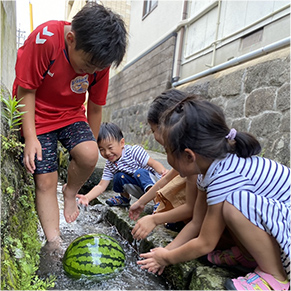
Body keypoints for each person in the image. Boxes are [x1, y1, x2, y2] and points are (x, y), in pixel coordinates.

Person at [137, 96, 290, 291]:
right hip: (278, 222)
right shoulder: (208, 171)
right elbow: (197, 222)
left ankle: (276, 277)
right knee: (229, 208)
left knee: (233, 206)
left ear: (189, 155)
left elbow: (206, 243)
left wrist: (167, 258)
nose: (166, 157)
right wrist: (165, 251)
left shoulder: (224, 176)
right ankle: (251, 255)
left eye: (167, 150)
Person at [12, 2, 127, 244]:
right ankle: (54, 242)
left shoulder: (99, 62)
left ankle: (70, 192)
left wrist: (92, 147)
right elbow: (26, 90)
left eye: (98, 67)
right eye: (87, 64)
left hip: (70, 114)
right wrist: (31, 137)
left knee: (87, 154)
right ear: (71, 39)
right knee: (45, 179)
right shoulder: (45, 40)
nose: (91, 70)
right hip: (37, 113)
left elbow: (95, 107)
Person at [129, 89, 198, 239]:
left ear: (164, 127)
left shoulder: (192, 163)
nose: (154, 136)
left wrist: (155, 219)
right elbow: (166, 179)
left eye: (153, 130)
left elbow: (191, 208)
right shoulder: (189, 153)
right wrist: (141, 202)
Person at [76, 122, 168, 207]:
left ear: (122, 143)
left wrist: (163, 173)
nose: (107, 153)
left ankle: (158, 202)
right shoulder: (110, 164)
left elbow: (154, 163)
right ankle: (124, 199)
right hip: (140, 190)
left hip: (155, 186)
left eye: (110, 147)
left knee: (139, 172)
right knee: (118, 176)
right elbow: (101, 186)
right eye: (102, 149)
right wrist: (87, 197)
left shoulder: (134, 151)